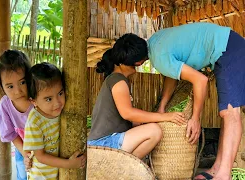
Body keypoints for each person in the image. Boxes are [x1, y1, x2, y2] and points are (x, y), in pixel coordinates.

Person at [139, 22, 244, 180]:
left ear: (136, 62)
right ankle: (217, 169)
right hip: (225, 47)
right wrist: (162, 107)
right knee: (225, 114)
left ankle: (224, 174)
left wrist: (195, 119)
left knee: (230, 112)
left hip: (229, 49)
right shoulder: (155, 42)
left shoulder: (158, 57)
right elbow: (172, 73)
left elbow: (200, 80)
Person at [87, 34, 186, 159]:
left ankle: (125, 168)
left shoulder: (115, 79)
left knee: (147, 127)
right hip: (103, 144)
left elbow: (132, 119)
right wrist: (165, 116)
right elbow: (127, 113)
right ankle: (127, 168)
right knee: (154, 131)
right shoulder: (118, 80)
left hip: (106, 141)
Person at [23, 62, 86, 180]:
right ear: (34, 102)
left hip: (57, 174)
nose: (57, 102)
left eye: (60, 93)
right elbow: (40, 156)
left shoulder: (63, 110)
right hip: (41, 177)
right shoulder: (35, 122)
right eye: (48, 99)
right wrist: (69, 164)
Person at [0, 50, 33, 180]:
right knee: (23, 176)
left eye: (22, 82)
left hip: (46, 146)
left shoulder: (38, 99)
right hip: (22, 147)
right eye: (10, 86)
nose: (17, 91)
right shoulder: (5, 105)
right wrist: (25, 153)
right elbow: (11, 134)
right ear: (2, 87)